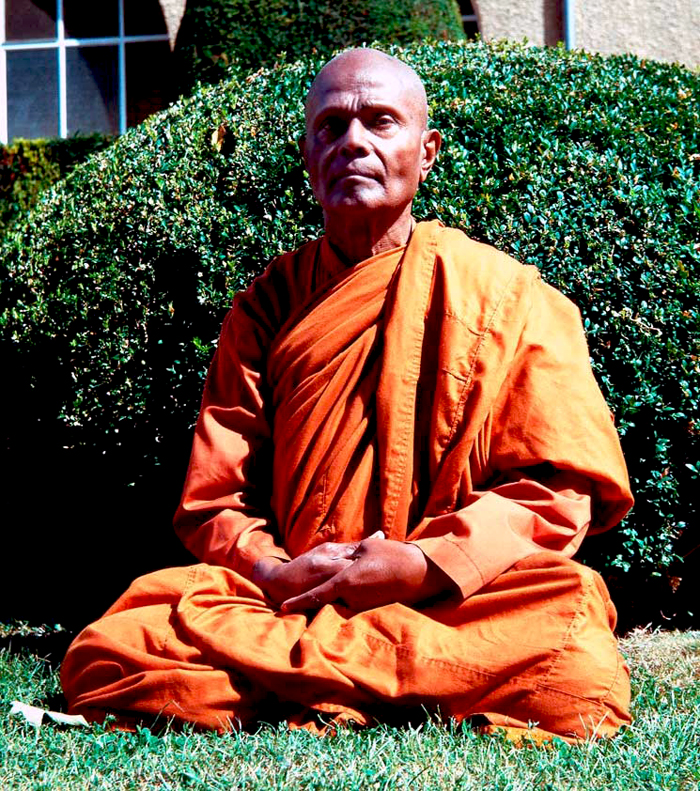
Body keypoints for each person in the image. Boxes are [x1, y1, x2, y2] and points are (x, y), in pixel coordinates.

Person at [61, 48, 634, 744]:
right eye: (331, 127)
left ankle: (305, 681)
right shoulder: (268, 306)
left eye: (380, 122)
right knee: (109, 649)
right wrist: (273, 569)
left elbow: (557, 486)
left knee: (569, 634)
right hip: (294, 598)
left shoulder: (512, 298)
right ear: (308, 158)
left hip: (448, 597)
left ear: (426, 152)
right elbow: (216, 499)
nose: (352, 142)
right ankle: (402, 681)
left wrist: (424, 565)